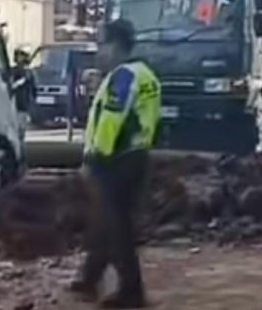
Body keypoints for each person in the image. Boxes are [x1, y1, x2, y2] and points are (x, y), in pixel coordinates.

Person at [70, 19, 160, 309]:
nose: (99, 52)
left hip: (113, 162)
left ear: (117, 46)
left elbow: (111, 121)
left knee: (116, 227)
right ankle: (90, 276)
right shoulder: (146, 75)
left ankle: (132, 292)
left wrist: (94, 158)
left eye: (102, 44)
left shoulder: (122, 77)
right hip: (137, 158)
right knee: (105, 222)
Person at [11, 48, 36, 142]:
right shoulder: (13, 71)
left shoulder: (28, 72)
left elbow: (33, 88)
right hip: (15, 102)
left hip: (23, 102)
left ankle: (20, 140)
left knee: (21, 126)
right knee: (17, 125)